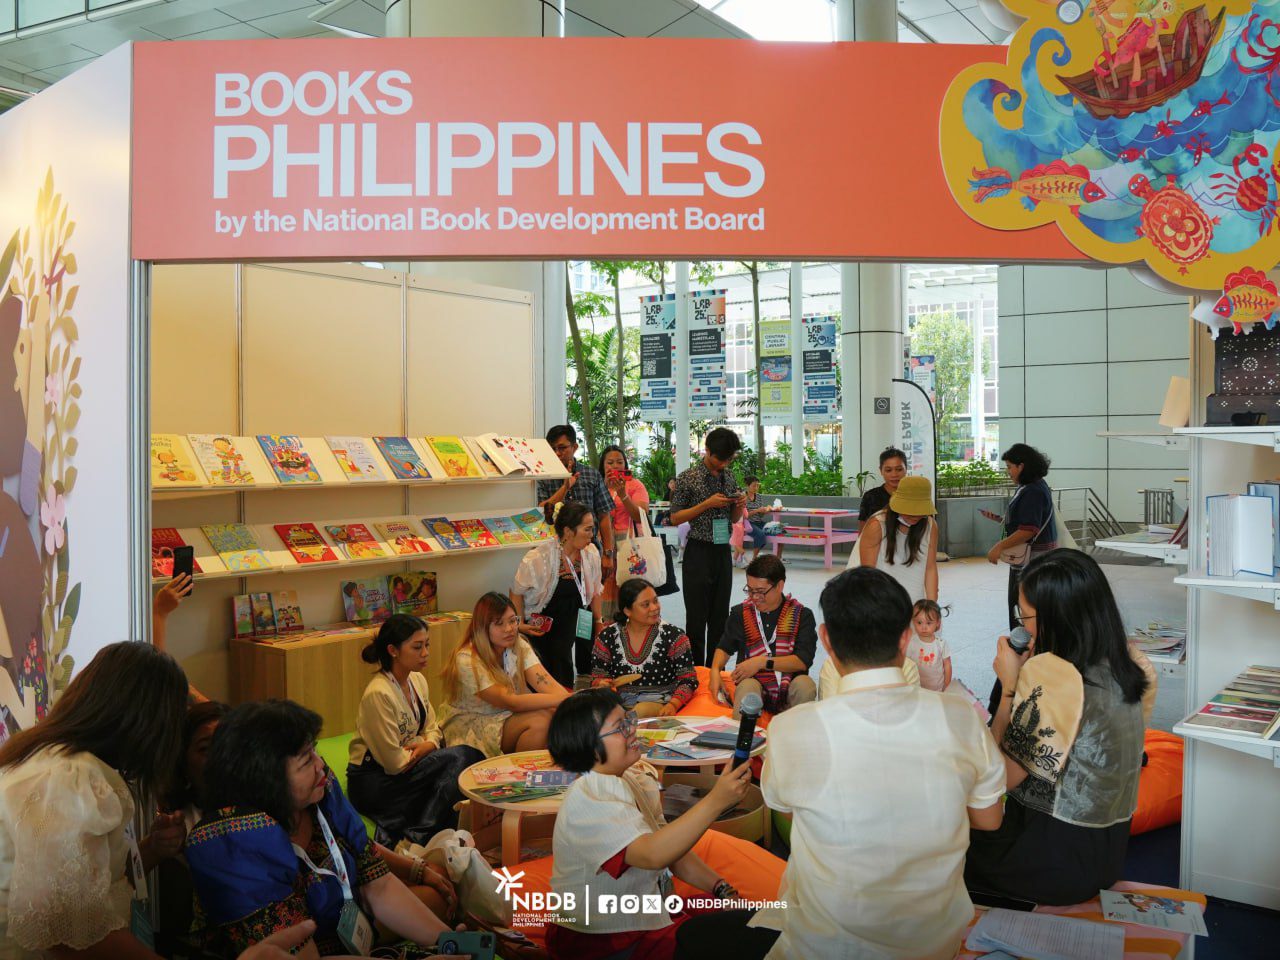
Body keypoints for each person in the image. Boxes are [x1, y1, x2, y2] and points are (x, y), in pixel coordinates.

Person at [675, 567, 1005, 960]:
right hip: (934, 942)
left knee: (694, 936)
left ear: (827, 640)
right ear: (905, 637)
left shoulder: (792, 729)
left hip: (825, 944)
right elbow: (989, 819)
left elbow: (791, 818)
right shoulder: (961, 717)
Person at [186, 699, 455, 958]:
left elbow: (379, 884)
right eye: (305, 760)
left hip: (340, 942)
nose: (320, 765)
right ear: (266, 779)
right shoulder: (236, 844)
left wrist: (451, 943)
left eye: (314, 750)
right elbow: (304, 956)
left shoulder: (320, 793)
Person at [965, 550, 1149, 906]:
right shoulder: (1122, 664)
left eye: (1025, 616)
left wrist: (1009, 687)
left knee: (936, 837)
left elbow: (998, 777)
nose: (1020, 627)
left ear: (1056, 617)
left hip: (1049, 861)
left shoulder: (1056, 677)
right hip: (1105, 855)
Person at [0, 641, 190, 960]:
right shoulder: (69, 779)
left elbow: (86, 885)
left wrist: (152, 848)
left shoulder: (46, 756)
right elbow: (70, 933)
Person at [546, 689, 751, 960]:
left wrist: (722, 889)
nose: (632, 730)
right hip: (606, 940)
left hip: (649, 917)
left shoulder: (629, 778)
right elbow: (653, 854)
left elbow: (670, 849)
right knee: (750, 934)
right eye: (620, 727)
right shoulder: (587, 796)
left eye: (628, 720)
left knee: (754, 920)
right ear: (587, 745)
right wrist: (716, 800)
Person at [346, 615, 485, 847]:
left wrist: (427, 744)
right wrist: (426, 745)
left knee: (461, 766)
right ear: (393, 650)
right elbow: (394, 763)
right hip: (375, 782)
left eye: (427, 645)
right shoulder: (378, 694)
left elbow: (434, 729)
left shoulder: (417, 680)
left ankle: (423, 839)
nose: (425, 653)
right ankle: (417, 839)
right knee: (462, 757)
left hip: (408, 768)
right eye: (417, 647)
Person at [440, 591, 572, 756]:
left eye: (513, 621)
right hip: (472, 722)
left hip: (507, 715)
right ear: (482, 626)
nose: (509, 629)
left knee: (556, 714)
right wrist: (568, 698)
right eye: (499, 623)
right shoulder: (466, 660)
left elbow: (546, 683)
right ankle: (520, 777)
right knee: (540, 723)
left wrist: (572, 704)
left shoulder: (518, 645)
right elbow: (511, 701)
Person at [670, 427, 746, 666]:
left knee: (720, 616)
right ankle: (695, 673)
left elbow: (733, 519)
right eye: (719, 458)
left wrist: (739, 505)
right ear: (707, 450)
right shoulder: (688, 477)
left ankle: (716, 670)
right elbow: (675, 518)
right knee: (696, 617)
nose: (722, 464)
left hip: (722, 550)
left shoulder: (729, 476)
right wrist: (707, 503)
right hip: (698, 551)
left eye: (728, 459)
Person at [708, 554, 817, 720]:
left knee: (805, 686)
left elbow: (802, 660)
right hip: (755, 684)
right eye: (750, 590)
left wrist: (761, 662)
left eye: (760, 591)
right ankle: (743, 739)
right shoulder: (741, 613)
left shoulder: (801, 615)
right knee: (746, 688)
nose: (754, 597)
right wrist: (715, 670)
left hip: (789, 684)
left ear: (779, 585)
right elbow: (724, 647)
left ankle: (796, 737)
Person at [511, 501, 607, 687]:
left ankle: (564, 702)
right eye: (587, 529)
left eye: (592, 529)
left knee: (564, 661)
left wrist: (598, 621)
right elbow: (516, 592)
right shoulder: (539, 558)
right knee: (542, 667)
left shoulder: (591, 553)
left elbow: (595, 590)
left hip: (575, 617)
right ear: (569, 531)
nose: (592, 535)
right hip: (543, 621)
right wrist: (519, 623)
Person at [591, 579, 697, 718]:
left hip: (658, 702)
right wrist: (601, 683)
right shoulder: (607, 637)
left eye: (655, 601)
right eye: (646, 605)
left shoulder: (674, 636)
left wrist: (673, 704)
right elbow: (598, 675)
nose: (654, 608)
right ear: (627, 611)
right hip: (618, 702)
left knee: (640, 711)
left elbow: (688, 679)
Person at [987, 443, 1057, 628]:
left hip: (1032, 561)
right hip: (1034, 560)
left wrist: (999, 546)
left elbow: (1028, 529)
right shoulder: (1034, 486)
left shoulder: (1032, 491)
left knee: (1023, 610)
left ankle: (1024, 651)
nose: (1008, 472)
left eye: (1010, 467)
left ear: (1021, 466)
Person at [535, 424, 616, 583]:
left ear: (575, 447)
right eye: (553, 449)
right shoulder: (545, 476)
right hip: (555, 553)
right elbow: (542, 511)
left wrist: (608, 554)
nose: (557, 453)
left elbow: (604, 516)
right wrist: (565, 488)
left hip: (589, 549)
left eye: (562, 448)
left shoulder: (591, 475)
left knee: (590, 598)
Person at [850, 474, 939, 603]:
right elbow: (868, 574)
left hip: (913, 599)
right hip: (880, 598)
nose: (915, 515)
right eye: (909, 509)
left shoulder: (930, 525)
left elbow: (930, 568)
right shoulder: (877, 525)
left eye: (920, 510)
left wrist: (932, 606)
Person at [599, 445, 650, 621]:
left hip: (630, 543)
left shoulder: (635, 485)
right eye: (610, 462)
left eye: (619, 462)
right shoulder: (598, 484)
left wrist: (623, 494)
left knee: (629, 584)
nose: (615, 466)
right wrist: (604, 487)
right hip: (604, 544)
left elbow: (639, 515)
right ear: (603, 465)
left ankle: (632, 623)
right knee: (604, 586)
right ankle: (606, 624)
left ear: (625, 464)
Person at [907, 599, 952, 693]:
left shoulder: (941, 644)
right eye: (919, 622)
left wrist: (947, 685)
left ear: (937, 623)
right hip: (916, 689)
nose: (923, 627)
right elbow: (906, 665)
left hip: (937, 689)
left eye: (928, 623)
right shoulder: (910, 642)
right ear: (913, 621)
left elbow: (947, 665)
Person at [858, 446, 907, 523]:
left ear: (906, 469)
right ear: (881, 471)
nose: (894, 474)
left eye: (899, 469)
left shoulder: (915, 495)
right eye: (888, 470)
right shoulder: (871, 497)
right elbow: (863, 532)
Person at [737, 476, 772, 564]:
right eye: (754, 486)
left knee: (775, 529)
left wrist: (764, 511)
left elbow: (761, 515)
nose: (756, 488)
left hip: (758, 522)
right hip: (747, 523)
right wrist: (757, 510)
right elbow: (743, 515)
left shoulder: (759, 497)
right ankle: (754, 559)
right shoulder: (742, 496)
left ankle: (778, 557)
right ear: (747, 486)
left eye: (757, 486)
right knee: (760, 534)